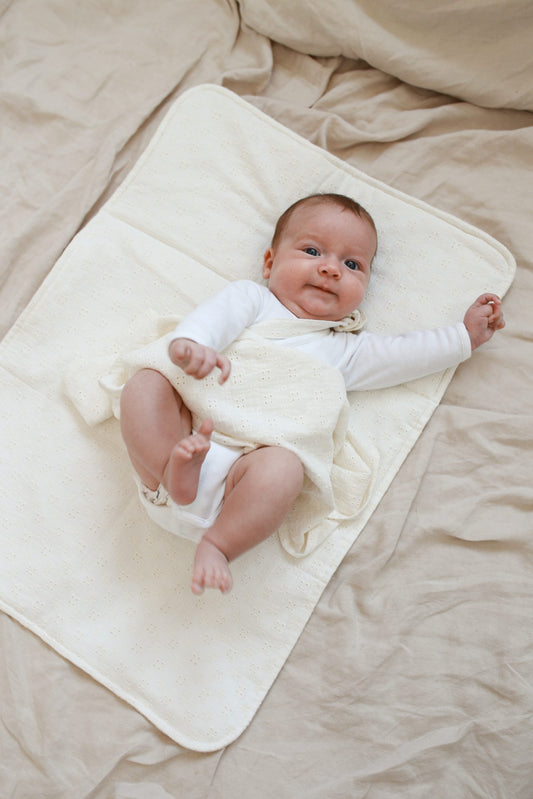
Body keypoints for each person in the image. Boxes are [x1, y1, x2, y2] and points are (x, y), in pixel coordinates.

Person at [119, 193, 505, 596]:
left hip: (240, 483)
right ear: (270, 263)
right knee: (146, 384)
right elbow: (215, 319)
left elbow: (405, 354)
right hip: (186, 436)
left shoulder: (345, 349)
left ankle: (219, 545)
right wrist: (195, 344)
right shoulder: (253, 300)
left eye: (351, 264)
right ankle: (170, 468)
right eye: (312, 250)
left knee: (285, 468)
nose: (330, 268)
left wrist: (463, 336)